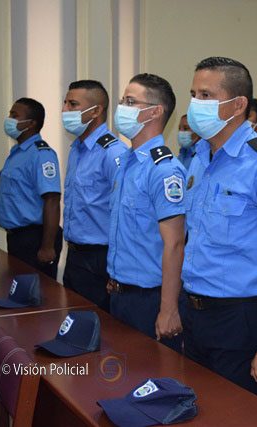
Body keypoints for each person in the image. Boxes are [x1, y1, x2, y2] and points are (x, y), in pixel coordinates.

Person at [182, 57, 257, 400]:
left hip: (239, 317)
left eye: (206, 95)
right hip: (194, 309)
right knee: (196, 408)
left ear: (237, 105)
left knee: (235, 413)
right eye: (193, 94)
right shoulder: (200, 156)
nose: (196, 103)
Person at [106, 73, 186, 351]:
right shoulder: (126, 162)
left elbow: (175, 244)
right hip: (120, 292)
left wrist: (168, 309)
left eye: (130, 102)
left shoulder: (164, 170)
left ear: (154, 112)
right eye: (122, 101)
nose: (121, 108)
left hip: (150, 299)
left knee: (150, 373)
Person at [61, 80, 127, 311]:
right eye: (65, 103)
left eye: (72, 104)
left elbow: (123, 215)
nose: (64, 110)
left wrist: (116, 268)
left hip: (100, 257)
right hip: (74, 254)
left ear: (96, 111)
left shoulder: (113, 153)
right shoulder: (77, 150)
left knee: (99, 324)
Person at [0, 98, 62, 278]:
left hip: (35, 238)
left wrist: (47, 247)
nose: (9, 119)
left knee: (38, 292)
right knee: (19, 290)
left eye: (15, 115)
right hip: (17, 238)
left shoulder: (42, 154)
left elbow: (52, 199)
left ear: (31, 123)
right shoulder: (17, 152)